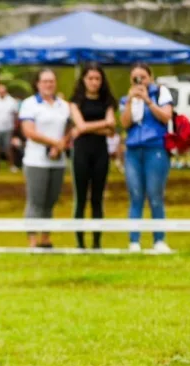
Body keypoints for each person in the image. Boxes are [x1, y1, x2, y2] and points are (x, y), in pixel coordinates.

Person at [120, 62, 173, 253]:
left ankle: (159, 240)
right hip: (133, 150)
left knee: (155, 195)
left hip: (155, 149)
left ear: (150, 77)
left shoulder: (160, 93)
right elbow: (125, 123)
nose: (139, 80)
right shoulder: (127, 98)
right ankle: (134, 240)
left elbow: (166, 117)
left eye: (143, 76)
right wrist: (131, 101)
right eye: (135, 77)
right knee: (135, 195)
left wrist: (148, 101)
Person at [19, 69, 70, 249]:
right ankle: (32, 239)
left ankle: (46, 238)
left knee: (50, 200)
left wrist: (61, 144)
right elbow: (29, 132)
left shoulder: (63, 105)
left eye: (52, 81)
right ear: (38, 84)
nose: (49, 85)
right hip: (36, 160)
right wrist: (54, 143)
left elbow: (69, 129)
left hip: (58, 161)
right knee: (36, 200)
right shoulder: (29, 104)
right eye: (45, 81)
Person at [69, 63, 117, 250]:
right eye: (90, 78)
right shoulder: (76, 101)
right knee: (80, 198)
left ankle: (97, 242)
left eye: (98, 79)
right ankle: (80, 243)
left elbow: (112, 130)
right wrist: (103, 125)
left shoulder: (107, 101)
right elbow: (81, 126)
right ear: (83, 79)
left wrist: (88, 128)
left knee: (97, 199)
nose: (94, 82)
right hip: (81, 152)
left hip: (100, 153)